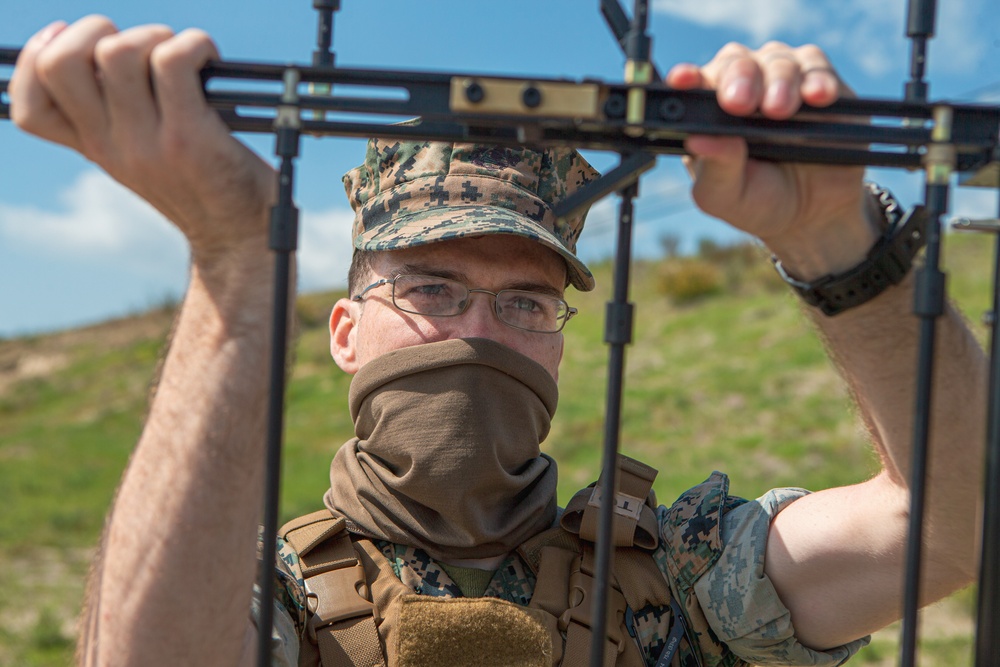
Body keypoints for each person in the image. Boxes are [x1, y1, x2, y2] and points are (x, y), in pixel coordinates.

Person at [9, 15, 987, 667]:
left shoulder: (675, 570)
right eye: (433, 289)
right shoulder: (261, 585)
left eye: (525, 303)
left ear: (561, 344)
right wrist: (232, 258)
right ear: (345, 332)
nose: (478, 333)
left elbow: (944, 530)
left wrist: (836, 242)